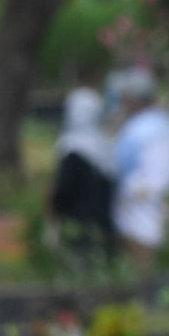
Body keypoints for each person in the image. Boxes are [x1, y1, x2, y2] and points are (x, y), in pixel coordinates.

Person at [108, 66, 169, 259]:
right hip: (153, 213)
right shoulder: (164, 123)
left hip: (137, 218)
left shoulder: (139, 129)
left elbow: (120, 169)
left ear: (133, 100)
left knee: (138, 265)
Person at [49, 85, 118, 254]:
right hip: (104, 224)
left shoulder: (72, 150)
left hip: (77, 225)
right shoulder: (105, 147)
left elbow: (63, 190)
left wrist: (54, 216)